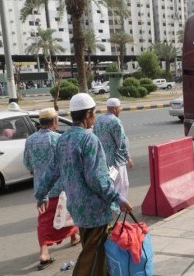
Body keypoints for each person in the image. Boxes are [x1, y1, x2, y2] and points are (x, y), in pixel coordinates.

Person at [35, 93, 133, 275]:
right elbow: (97, 178)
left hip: (76, 207)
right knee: (92, 255)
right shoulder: (89, 140)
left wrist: (41, 194)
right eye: (94, 113)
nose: (95, 116)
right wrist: (117, 197)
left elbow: (51, 172)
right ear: (88, 114)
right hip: (94, 210)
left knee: (94, 252)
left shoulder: (62, 139)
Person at [23, 108, 80, 271]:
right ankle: (44, 253)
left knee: (46, 220)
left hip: (42, 188)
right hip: (59, 186)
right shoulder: (58, 139)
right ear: (54, 122)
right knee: (66, 212)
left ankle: (73, 237)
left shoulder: (30, 140)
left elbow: (27, 163)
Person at [93, 98, 133, 199]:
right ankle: (119, 208)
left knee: (110, 184)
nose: (120, 110)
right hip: (116, 162)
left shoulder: (98, 119)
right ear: (115, 109)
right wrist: (128, 157)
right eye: (119, 108)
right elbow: (121, 143)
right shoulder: (115, 121)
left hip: (103, 160)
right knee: (122, 185)